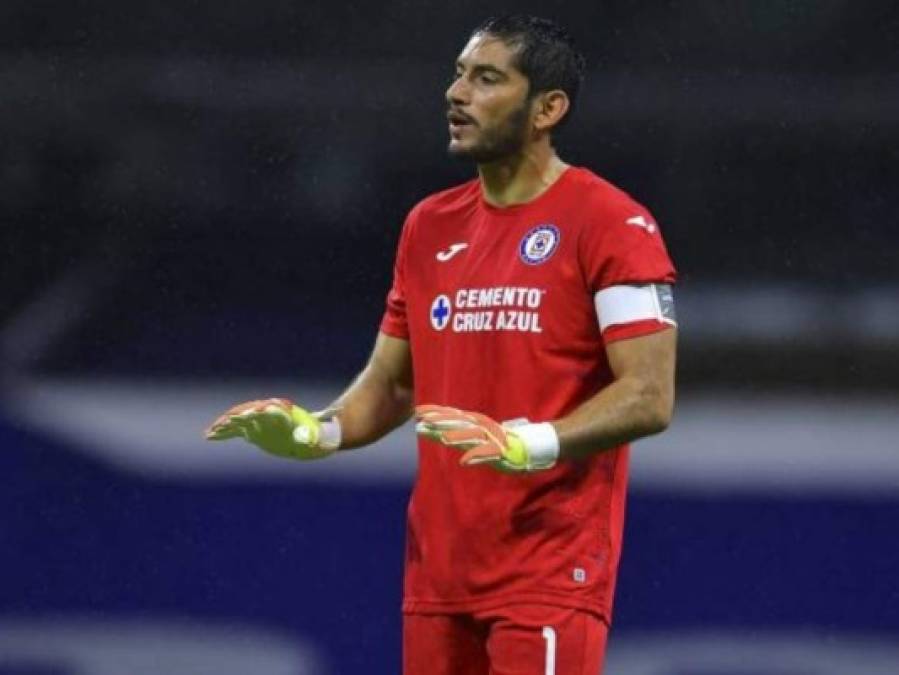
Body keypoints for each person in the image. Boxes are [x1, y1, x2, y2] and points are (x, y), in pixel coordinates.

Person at [206, 14, 677, 675]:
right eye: (458, 74)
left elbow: (648, 395)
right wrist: (317, 432)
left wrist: (528, 444)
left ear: (547, 108)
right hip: (438, 572)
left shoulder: (611, 222)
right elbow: (395, 383)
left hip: (545, 570)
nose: (455, 93)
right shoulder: (428, 226)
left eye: (485, 78)